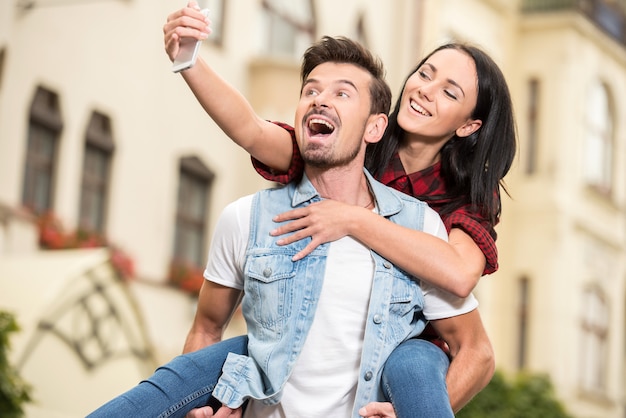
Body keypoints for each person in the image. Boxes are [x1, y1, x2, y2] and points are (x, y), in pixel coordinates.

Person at [87, 35, 494, 418]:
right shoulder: (293, 184)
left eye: (449, 91)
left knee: (414, 365)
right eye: (425, 73)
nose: (426, 88)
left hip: (407, 349)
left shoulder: (441, 210)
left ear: (468, 126)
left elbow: (459, 279)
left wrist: (351, 218)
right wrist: (188, 59)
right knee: (204, 368)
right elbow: (250, 129)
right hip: (269, 360)